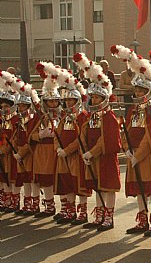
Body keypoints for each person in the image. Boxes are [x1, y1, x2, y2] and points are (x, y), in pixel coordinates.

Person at [110, 46, 151, 237]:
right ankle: (142, 219)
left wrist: (139, 154)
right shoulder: (133, 111)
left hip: (147, 156)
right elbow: (125, 131)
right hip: (133, 154)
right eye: (137, 90)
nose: (139, 94)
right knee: (139, 191)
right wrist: (127, 150)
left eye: (142, 90)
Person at [75, 52, 122, 232]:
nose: (93, 100)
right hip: (94, 158)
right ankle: (100, 214)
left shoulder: (109, 117)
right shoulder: (91, 117)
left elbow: (107, 140)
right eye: (92, 97)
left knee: (108, 188)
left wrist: (92, 152)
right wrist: (85, 151)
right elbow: (84, 135)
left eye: (96, 97)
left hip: (106, 158)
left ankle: (108, 216)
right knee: (98, 187)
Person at [53, 69, 91, 224]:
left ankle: (83, 212)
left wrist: (67, 150)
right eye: (66, 101)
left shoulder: (82, 117)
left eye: (71, 101)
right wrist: (58, 149)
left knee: (78, 184)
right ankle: (70, 210)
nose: (68, 103)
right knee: (67, 182)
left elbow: (80, 138)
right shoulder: (64, 117)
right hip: (63, 156)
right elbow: (57, 134)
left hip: (76, 156)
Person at [30, 62, 62, 219]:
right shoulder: (40, 117)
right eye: (50, 101)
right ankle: (49, 205)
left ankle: (67, 208)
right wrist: (41, 135)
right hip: (43, 152)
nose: (53, 104)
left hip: (58, 150)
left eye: (55, 101)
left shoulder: (63, 116)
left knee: (62, 179)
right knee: (45, 179)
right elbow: (31, 136)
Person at [10, 81, 39, 215]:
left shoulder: (32, 120)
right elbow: (15, 137)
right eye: (19, 105)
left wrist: (21, 153)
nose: (21, 108)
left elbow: (30, 139)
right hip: (19, 153)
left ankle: (35, 204)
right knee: (25, 180)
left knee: (32, 180)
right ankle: (27, 203)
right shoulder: (18, 121)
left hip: (29, 154)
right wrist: (15, 149)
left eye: (23, 105)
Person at [0, 81, 20, 214]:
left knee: (12, 177)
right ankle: (5, 199)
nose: (3, 108)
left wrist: (5, 149)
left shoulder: (15, 120)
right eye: (1, 106)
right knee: (2, 177)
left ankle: (15, 201)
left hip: (10, 153)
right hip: (1, 153)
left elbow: (16, 137)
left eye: (6, 106)